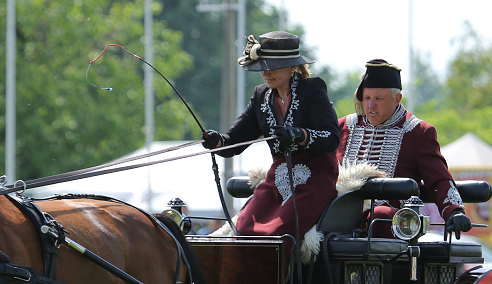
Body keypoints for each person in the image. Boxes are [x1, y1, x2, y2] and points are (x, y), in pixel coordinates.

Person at [200, 31, 340, 240]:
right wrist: (217, 141)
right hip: (276, 179)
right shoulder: (260, 96)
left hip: (315, 178)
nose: (265, 72)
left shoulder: (312, 89)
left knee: (279, 231)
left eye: (271, 66)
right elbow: (234, 142)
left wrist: (299, 135)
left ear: (293, 66)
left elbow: (331, 137)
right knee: (244, 228)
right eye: (262, 66)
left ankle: (281, 273)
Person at [337, 59, 472, 239]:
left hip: (390, 226)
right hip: (338, 213)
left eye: (379, 99)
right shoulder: (345, 126)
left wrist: (455, 211)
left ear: (397, 99)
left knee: (382, 214)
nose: (370, 105)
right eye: (367, 98)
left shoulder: (418, 132)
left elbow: (438, 179)